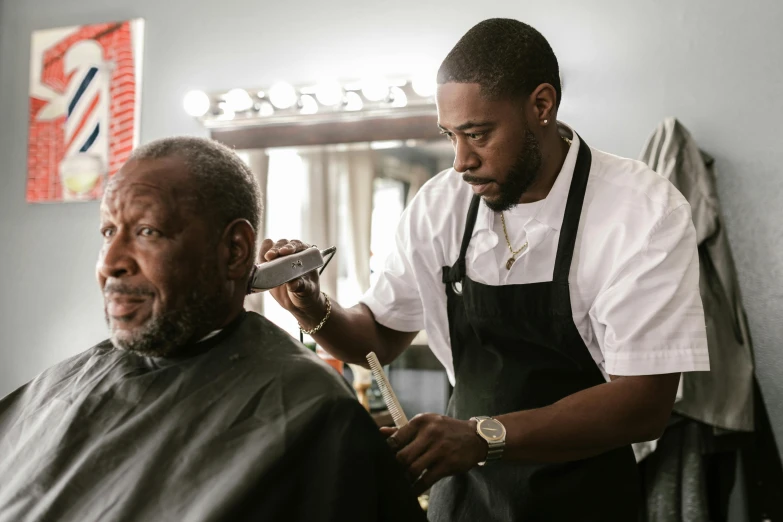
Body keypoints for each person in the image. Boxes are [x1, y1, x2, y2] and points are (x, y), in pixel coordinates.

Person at [262, 18, 709, 521]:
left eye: (477, 134)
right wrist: (311, 305)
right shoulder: (440, 205)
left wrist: (482, 436)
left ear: (542, 106)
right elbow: (378, 339)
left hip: (586, 498)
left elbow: (644, 403)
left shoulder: (641, 210)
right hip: (464, 499)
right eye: (450, 135)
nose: (459, 161)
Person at [0, 137, 425, 522]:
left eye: (148, 232)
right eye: (109, 231)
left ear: (236, 251)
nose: (111, 261)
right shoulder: (62, 387)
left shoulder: (307, 409)